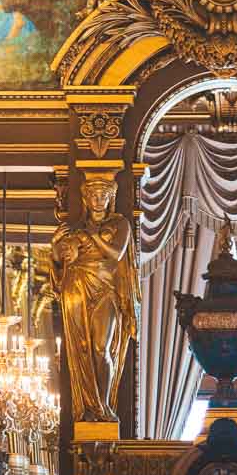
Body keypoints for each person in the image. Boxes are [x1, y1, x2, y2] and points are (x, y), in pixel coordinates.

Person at [50, 177, 139, 423]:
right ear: (86, 200)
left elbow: (116, 254)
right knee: (80, 349)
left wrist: (93, 236)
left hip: (105, 289)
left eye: (103, 195)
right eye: (94, 195)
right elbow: (60, 261)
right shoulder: (74, 230)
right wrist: (55, 245)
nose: (98, 200)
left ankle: (104, 405)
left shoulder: (120, 224)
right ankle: (89, 409)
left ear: (110, 198)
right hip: (76, 286)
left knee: (101, 349)